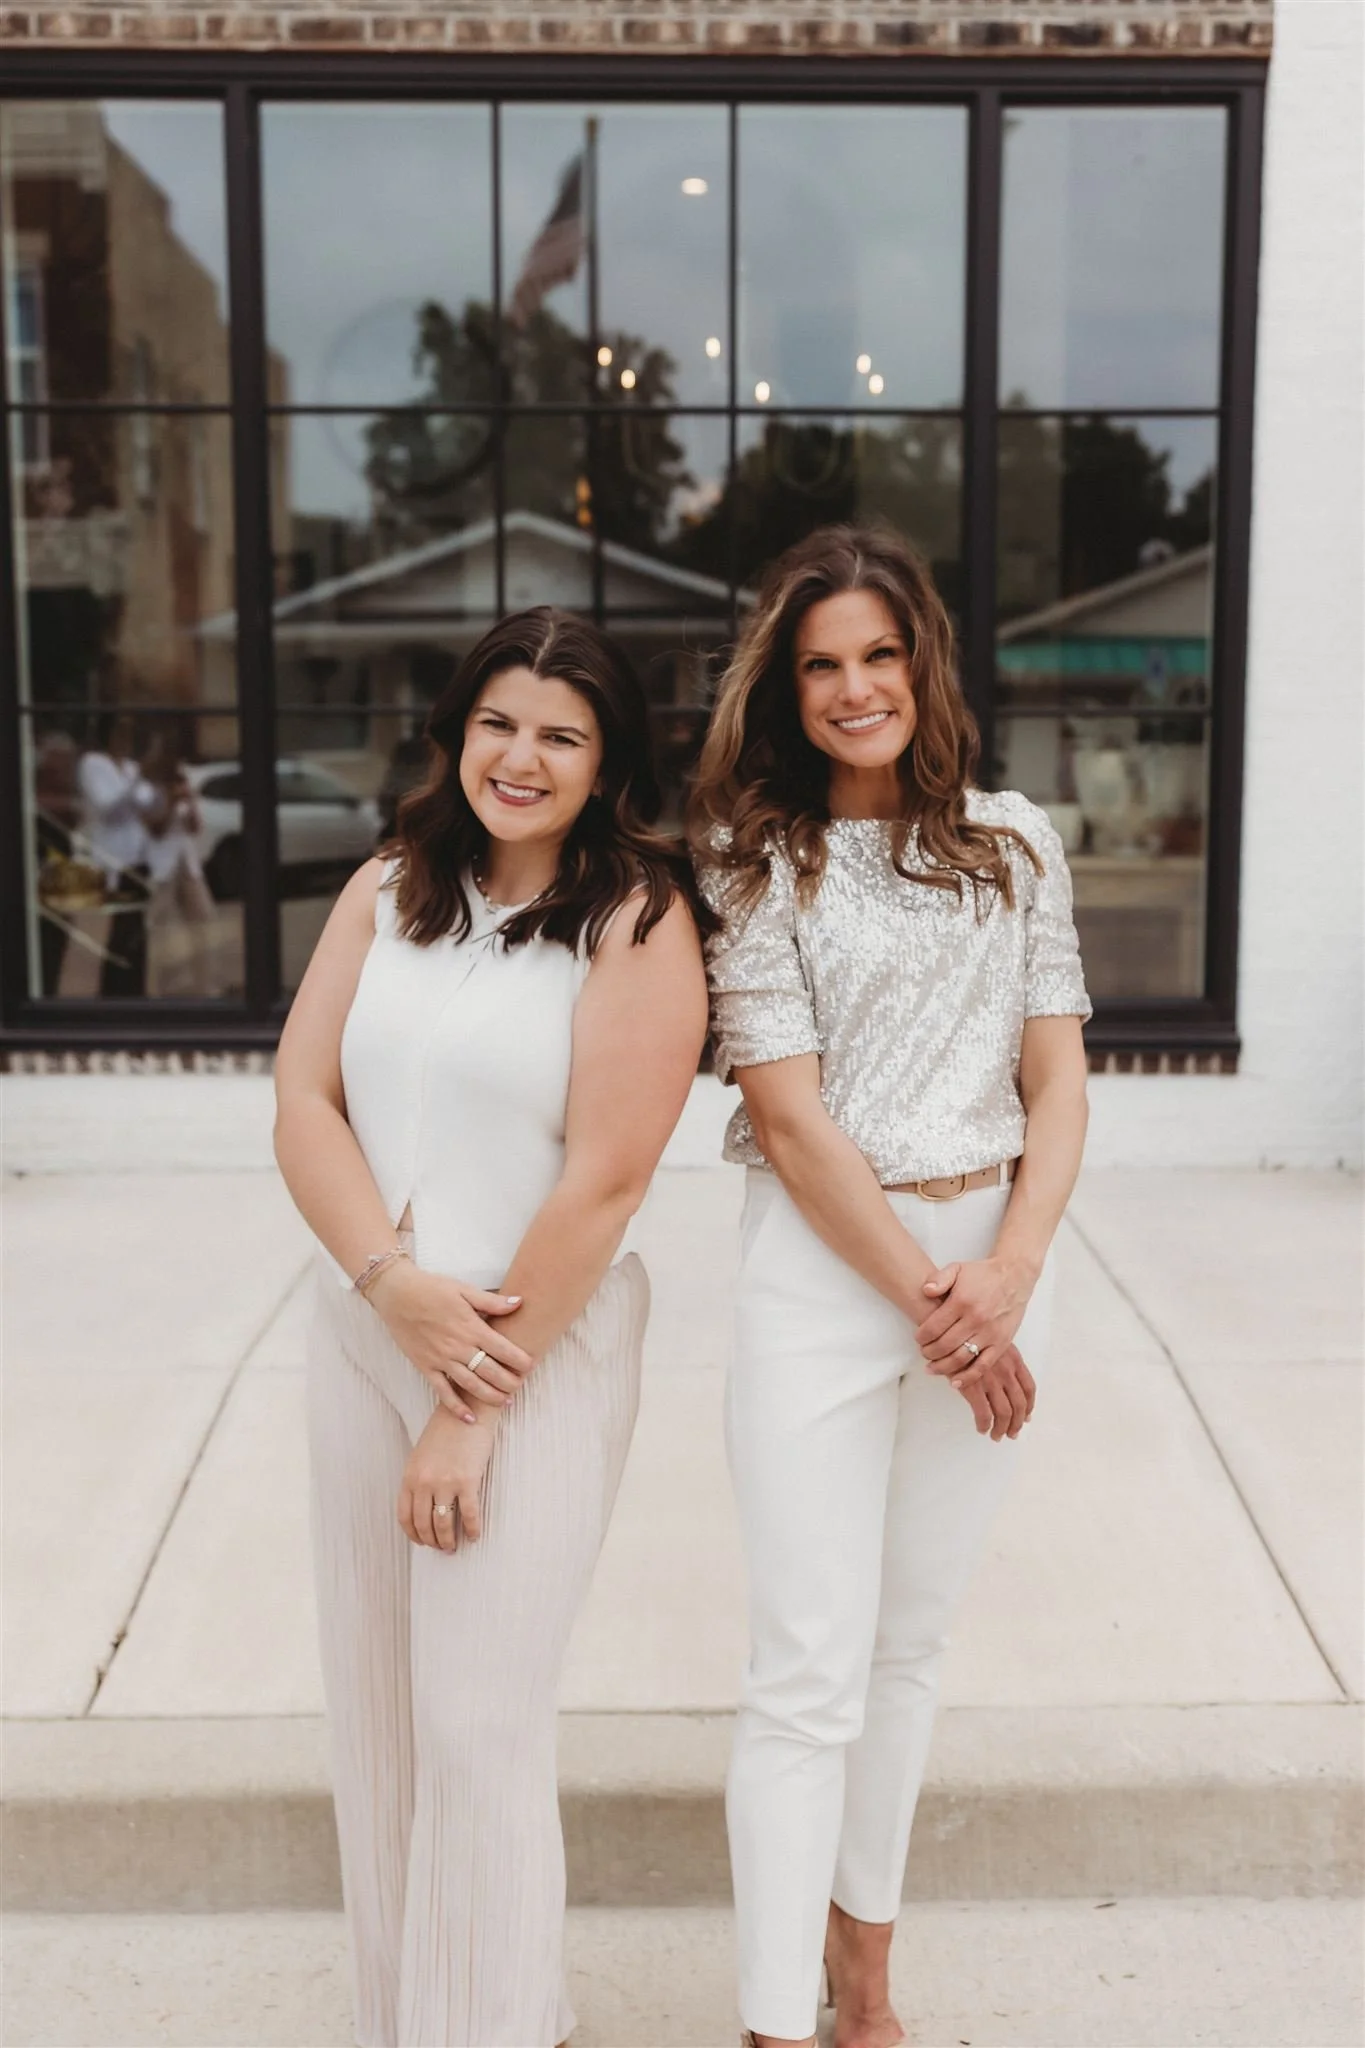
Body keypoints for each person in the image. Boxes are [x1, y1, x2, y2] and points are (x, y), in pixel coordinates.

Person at [274, 607, 709, 2048]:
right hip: (363, 1329)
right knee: (383, 1721)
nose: (521, 759)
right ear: (458, 732)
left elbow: (607, 1178)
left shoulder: (640, 919)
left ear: (607, 763)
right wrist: (388, 1286)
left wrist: (470, 1404)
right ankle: (413, 2020)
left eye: (561, 736)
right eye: (498, 724)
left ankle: (506, 2029)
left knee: (477, 1726)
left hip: (532, 1356)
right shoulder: (390, 885)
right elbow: (302, 1102)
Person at [689, 525, 1091, 2048]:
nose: (855, 688)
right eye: (819, 666)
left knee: (907, 1646)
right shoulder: (753, 861)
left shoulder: (1016, 839)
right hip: (826, 1279)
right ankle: (769, 2026)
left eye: (878, 654)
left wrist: (1010, 1271)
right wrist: (940, 1297)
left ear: (922, 660)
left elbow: (1055, 1085)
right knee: (804, 1664)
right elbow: (788, 1117)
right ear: (785, 692)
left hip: (993, 1269)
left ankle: (863, 1986)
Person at [77, 712, 159, 997]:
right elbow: (108, 808)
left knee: (136, 929)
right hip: (112, 859)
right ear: (107, 735)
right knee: (116, 931)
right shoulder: (93, 765)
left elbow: (150, 802)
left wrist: (145, 779)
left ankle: (134, 989)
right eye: (120, 733)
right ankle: (112, 993)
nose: (126, 740)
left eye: (129, 734)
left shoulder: (130, 768)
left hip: (138, 857)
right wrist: (136, 787)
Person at [141, 731, 218, 998]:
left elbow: (195, 827)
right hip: (161, 864)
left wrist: (190, 801)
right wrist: (172, 801)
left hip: (187, 863)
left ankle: (204, 985)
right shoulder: (148, 790)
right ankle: (159, 990)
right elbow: (156, 828)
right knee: (160, 928)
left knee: (203, 919)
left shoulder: (182, 787)